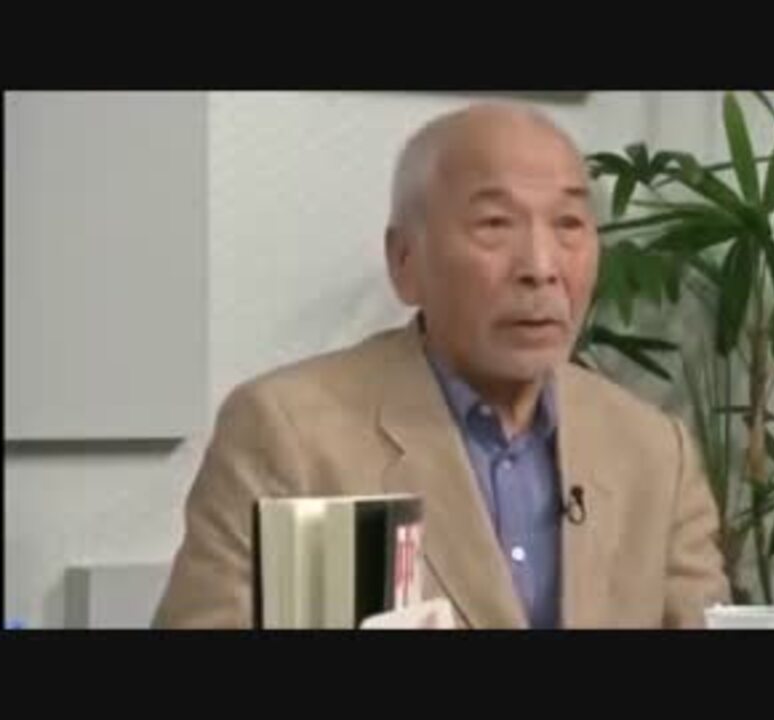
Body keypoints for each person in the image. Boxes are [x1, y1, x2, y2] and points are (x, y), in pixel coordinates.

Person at [153, 101, 730, 629]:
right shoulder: (289, 434)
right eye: (494, 224)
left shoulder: (655, 451)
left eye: (569, 225)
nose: (541, 266)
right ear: (405, 261)